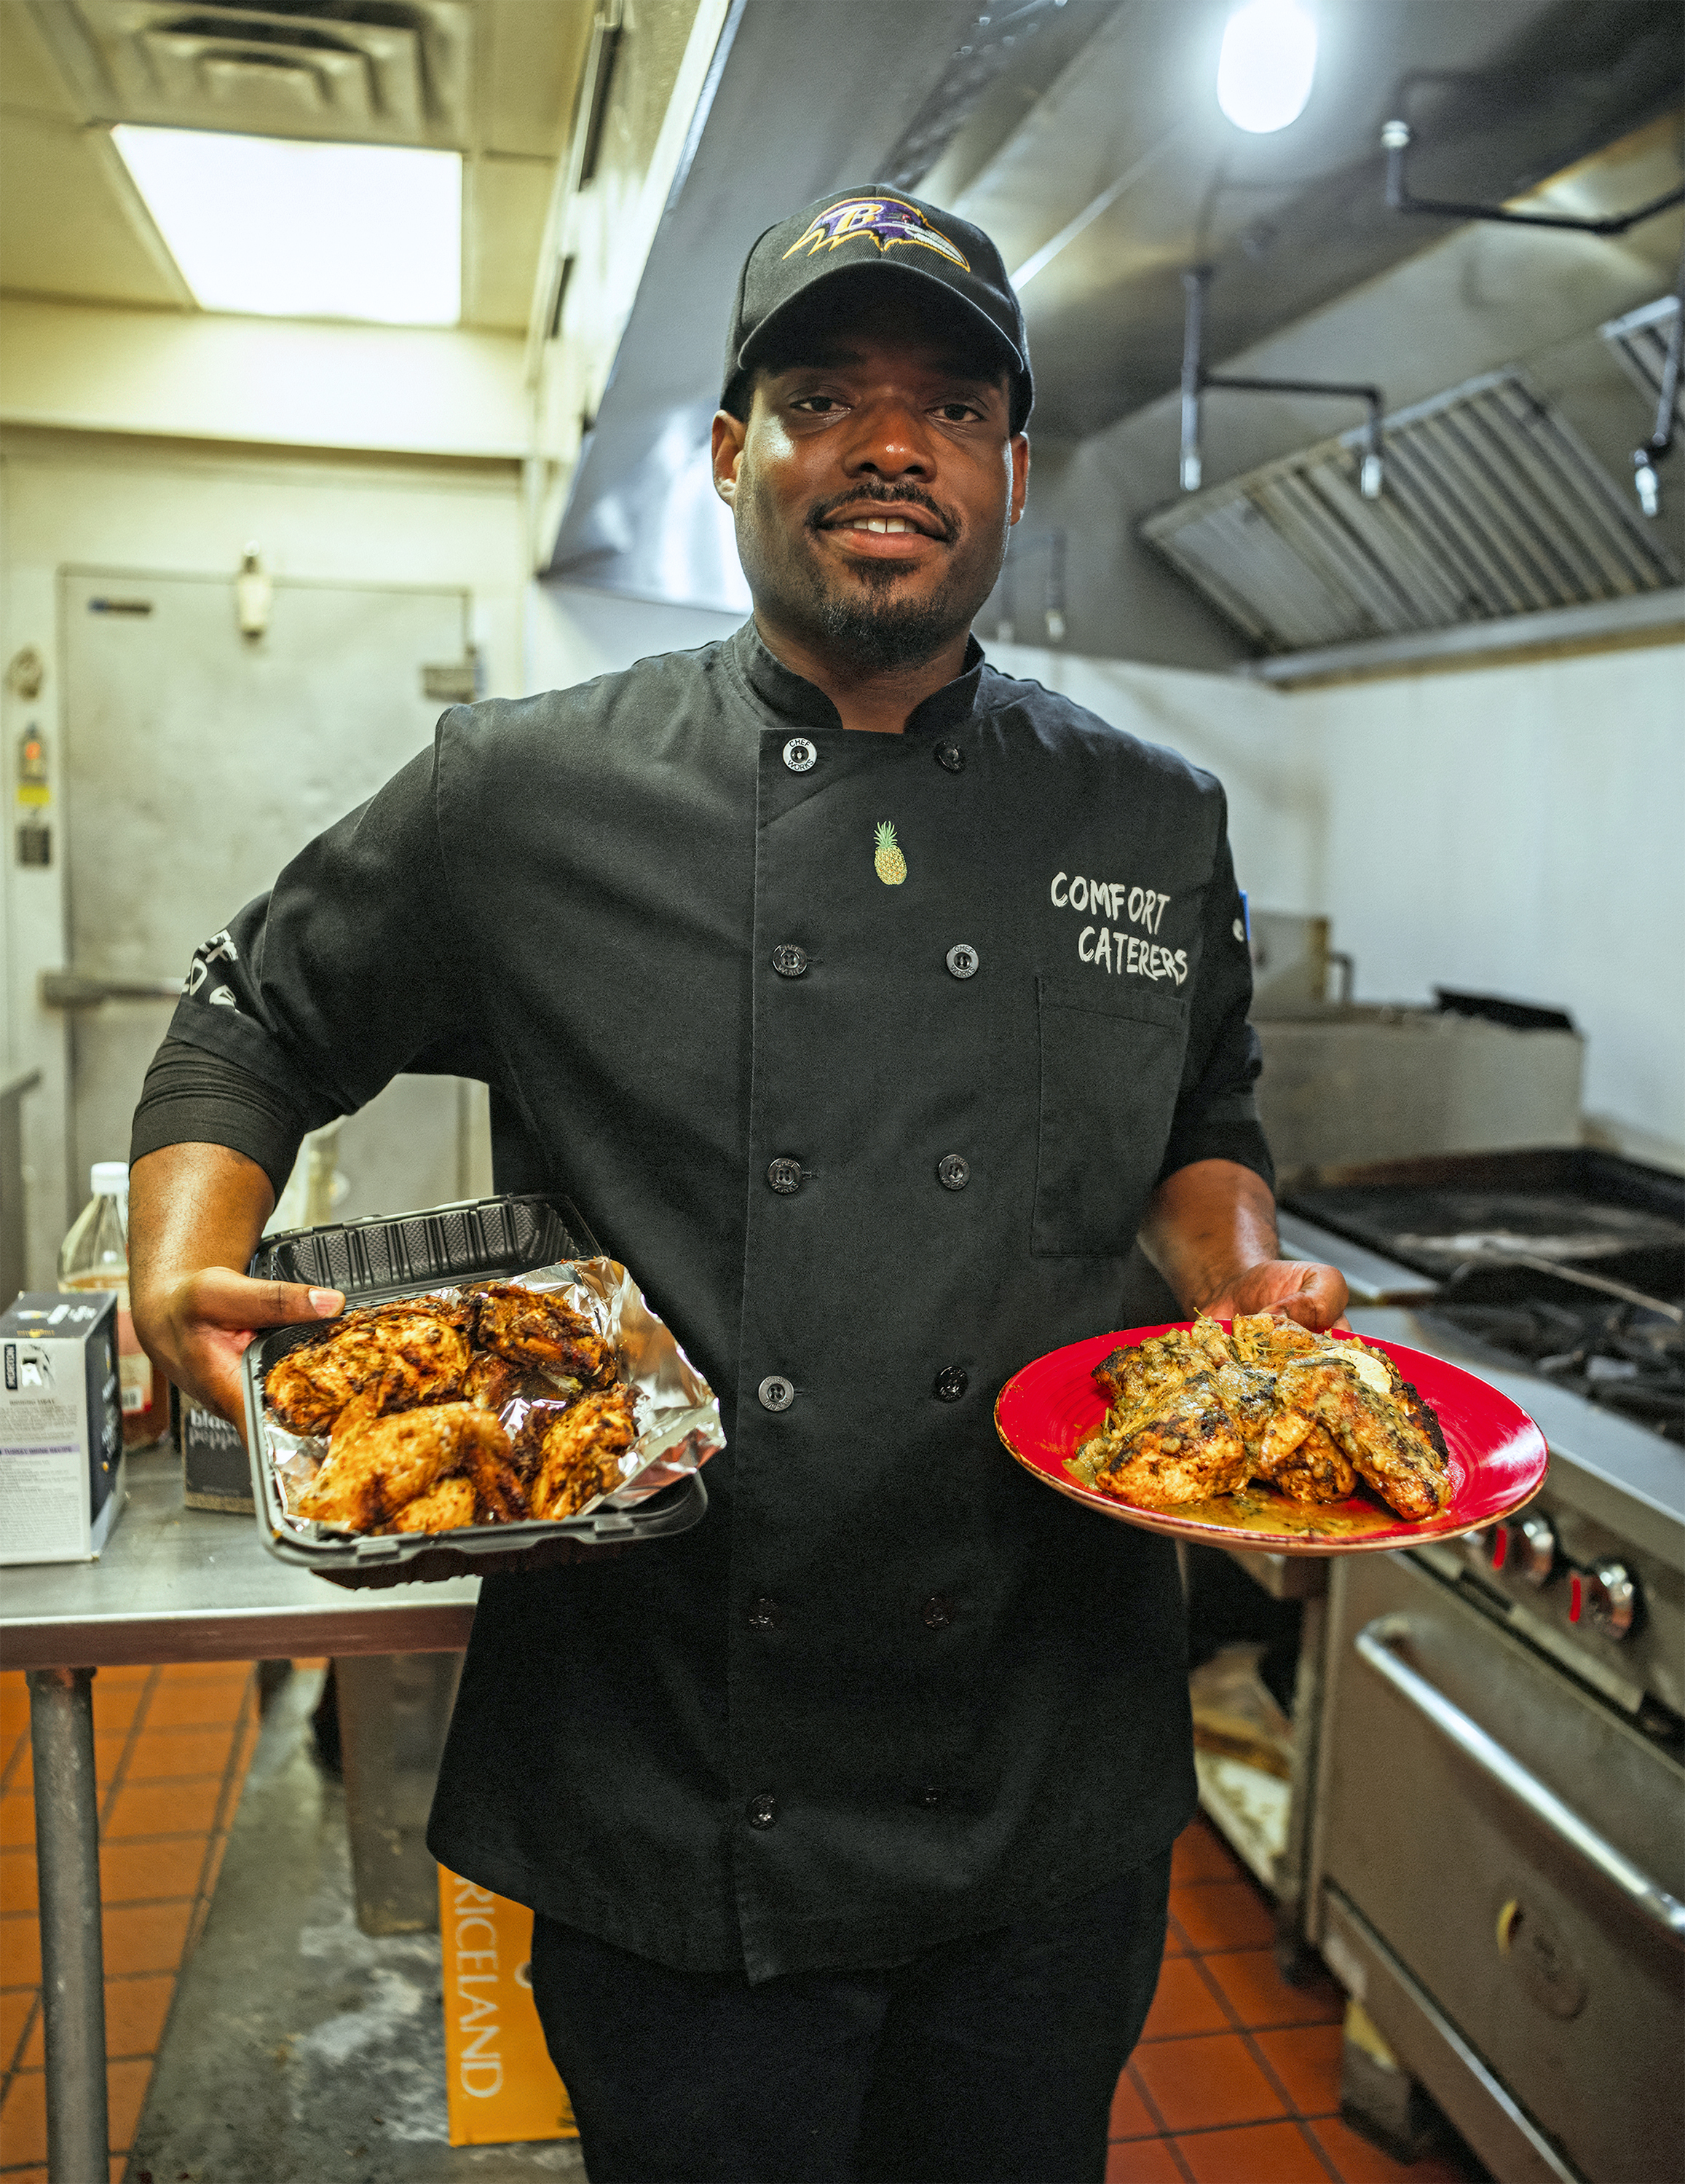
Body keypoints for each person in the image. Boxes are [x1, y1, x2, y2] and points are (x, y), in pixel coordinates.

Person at [128, 187, 1348, 2184]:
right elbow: (251, 1012)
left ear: (1011, 471)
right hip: (672, 1776)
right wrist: (183, 1266)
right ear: (728, 453)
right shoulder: (524, 794)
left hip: (1043, 1771)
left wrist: (1238, 1281)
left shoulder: (1150, 815)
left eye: (950, 406)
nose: (890, 444)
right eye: (821, 396)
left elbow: (1202, 1111)